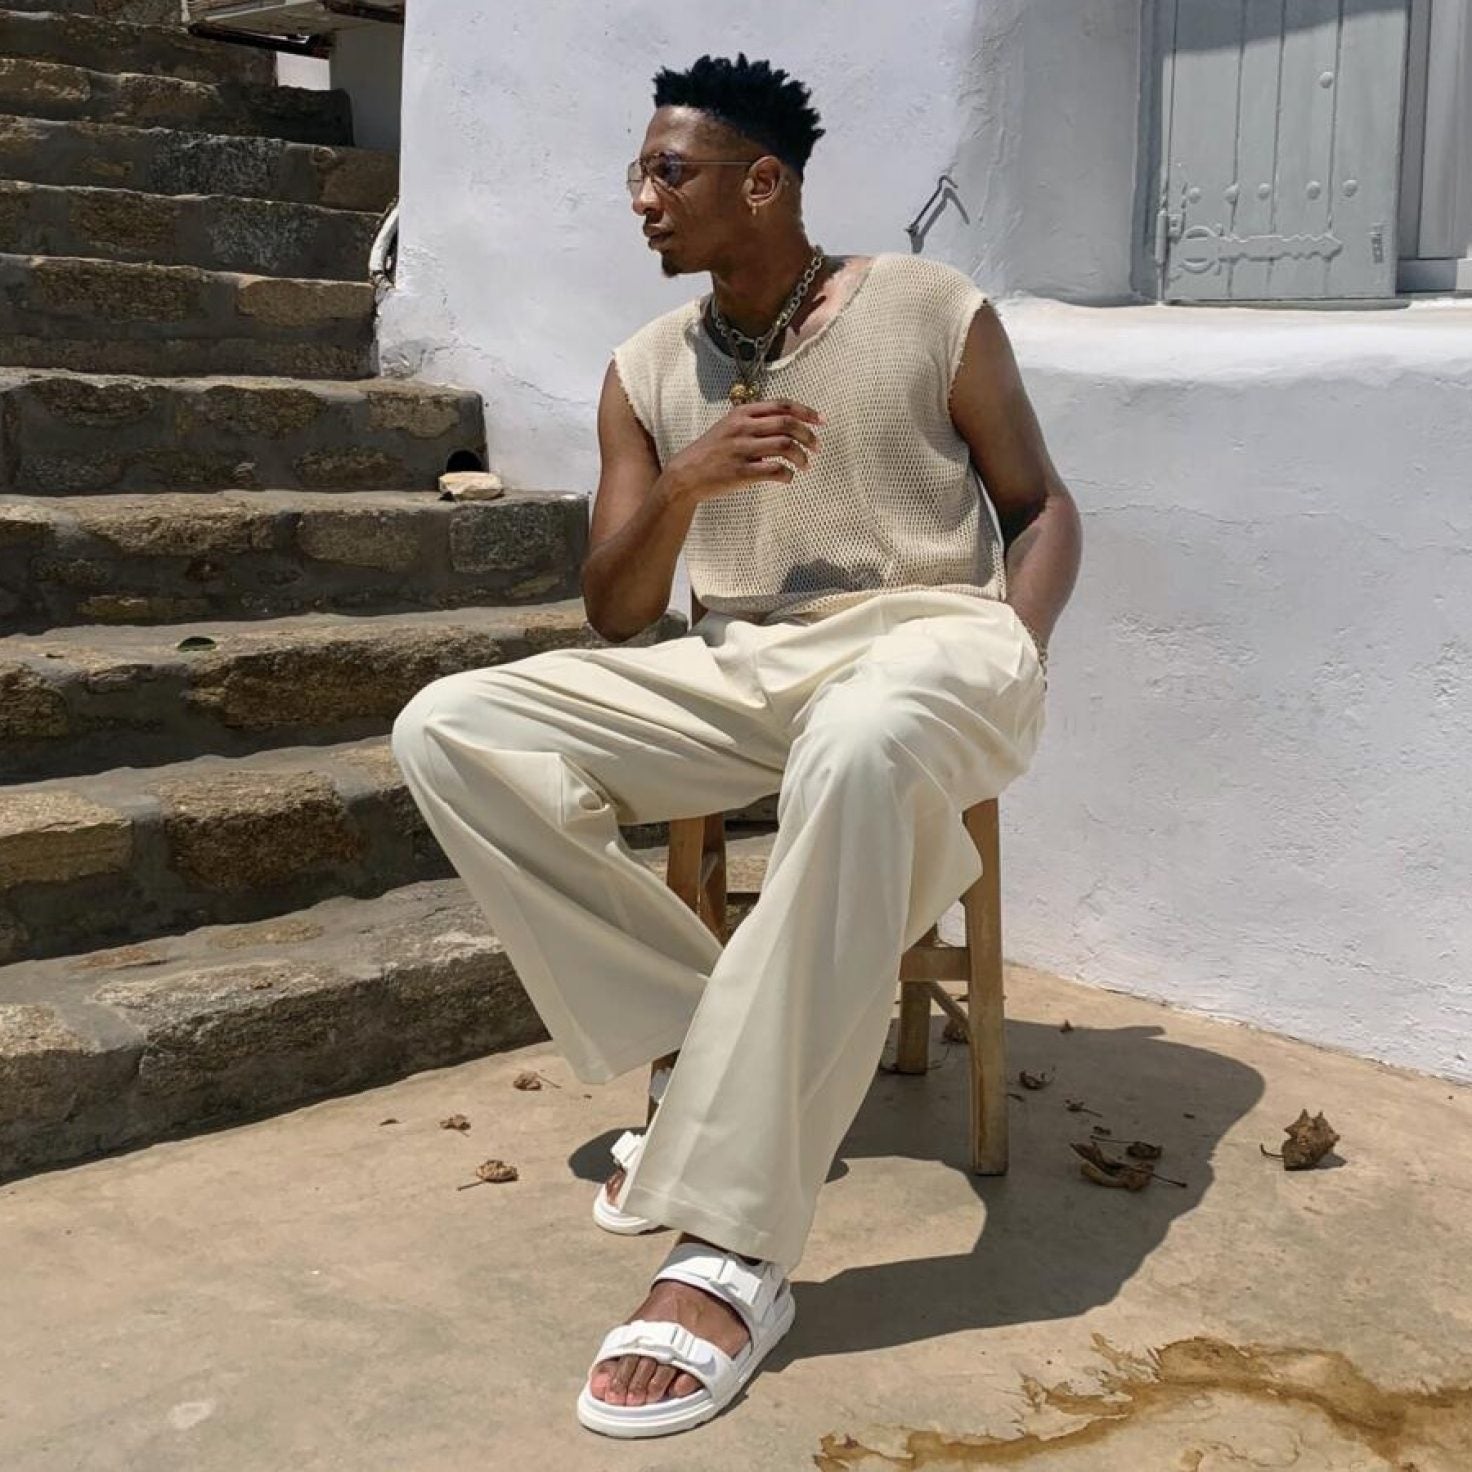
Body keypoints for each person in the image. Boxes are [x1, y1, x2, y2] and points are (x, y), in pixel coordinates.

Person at [391, 52, 1082, 1440]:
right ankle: (713, 1044)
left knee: (866, 739)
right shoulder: (646, 369)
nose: (641, 200)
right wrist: (685, 483)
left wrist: (1013, 642)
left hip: (929, 640)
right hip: (739, 661)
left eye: (670, 173)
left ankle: (731, 1242)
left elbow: (1041, 506)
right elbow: (615, 608)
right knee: (451, 728)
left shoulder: (930, 308)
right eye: (640, 173)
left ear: (762, 182)